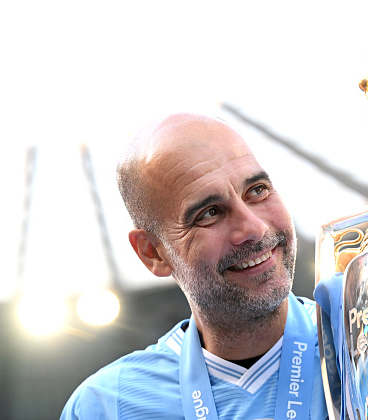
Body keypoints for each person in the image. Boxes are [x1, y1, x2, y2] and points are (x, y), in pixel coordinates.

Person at [61, 113, 328, 419]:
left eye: (257, 190)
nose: (253, 228)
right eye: (210, 213)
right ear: (153, 254)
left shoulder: (367, 344)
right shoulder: (106, 406)